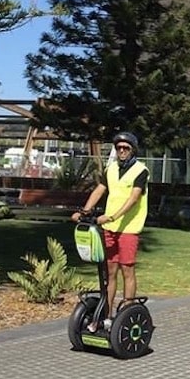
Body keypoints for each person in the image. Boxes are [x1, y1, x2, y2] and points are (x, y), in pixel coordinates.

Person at [72, 131, 149, 332]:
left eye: (126, 148)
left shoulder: (141, 171)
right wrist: (84, 211)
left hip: (129, 229)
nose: (122, 151)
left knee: (127, 270)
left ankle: (127, 313)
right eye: (119, 148)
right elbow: (99, 190)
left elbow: (133, 199)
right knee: (110, 272)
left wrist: (112, 216)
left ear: (133, 150)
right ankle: (106, 316)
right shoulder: (111, 168)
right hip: (110, 229)